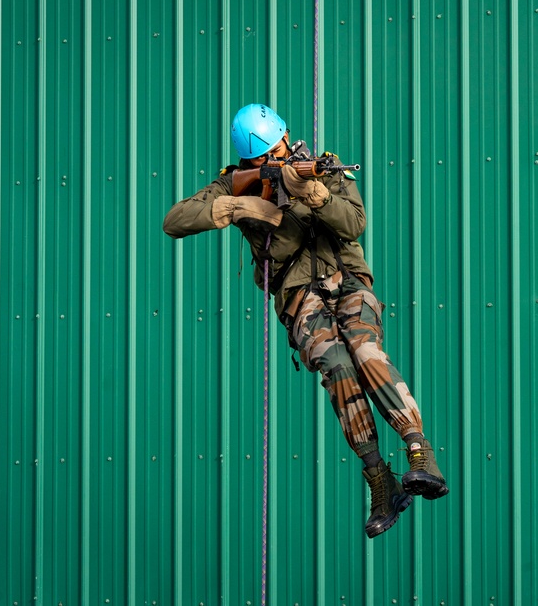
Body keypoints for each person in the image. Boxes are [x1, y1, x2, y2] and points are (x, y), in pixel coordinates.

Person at [163, 103, 447, 538]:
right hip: (299, 298)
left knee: (364, 347)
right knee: (337, 368)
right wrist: (237, 207)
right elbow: (175, 220)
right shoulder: (232, 182)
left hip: (348, 282)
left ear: (286, 136)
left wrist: (314, 194)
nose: (274, 162)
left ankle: (419, 452)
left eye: (277, 150)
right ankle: (379, 480)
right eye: (262, 161)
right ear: (248, 162)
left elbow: (354, 223)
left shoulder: (323, 169)